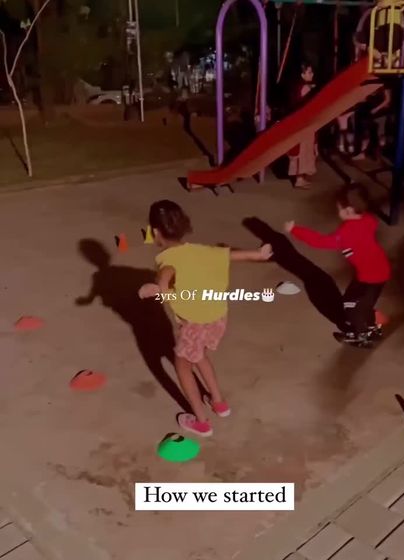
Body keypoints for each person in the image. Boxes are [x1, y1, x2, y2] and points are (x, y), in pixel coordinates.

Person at [139, 200, 273, 436]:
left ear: (156, 232)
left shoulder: (167, 261)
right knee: (200, 355)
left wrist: (157, 289)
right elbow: (230, 255)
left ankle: (201, 423)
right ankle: (219, 403)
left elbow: (167, 276)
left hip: (195, 324)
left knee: (183, 367)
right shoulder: (202, 250)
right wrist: (258, 254)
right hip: (216, 317)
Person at [284, 185, 391, 347]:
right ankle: (372, 323)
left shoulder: (347, 233)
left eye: (338, 208)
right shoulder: (368, 219)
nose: (337, 211)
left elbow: (320, 242)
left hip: (370, 277)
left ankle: (362, 335)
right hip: (376, 271)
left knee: (351, 307)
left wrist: (295, 230)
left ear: (348, 210)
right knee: (358, 303)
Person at [288, 63, 318, 189]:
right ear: (302, 74)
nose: (312, 74)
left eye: (312, 72)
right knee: (303, 151)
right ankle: (299, 179)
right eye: (309, 72)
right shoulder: (305, 88)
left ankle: (300, 178)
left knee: (303, 151)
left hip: (301, 124)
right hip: (304, 124)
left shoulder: (300, 87)